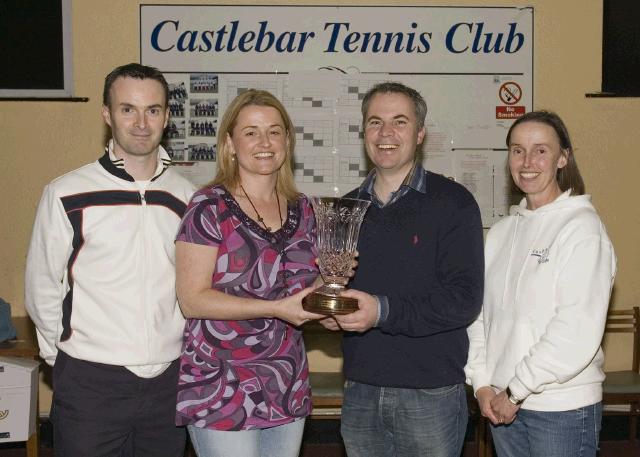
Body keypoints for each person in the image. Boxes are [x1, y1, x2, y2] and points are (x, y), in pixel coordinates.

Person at [25, 63, 195, 456]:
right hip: (90, 384)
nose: (140, 123)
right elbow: (42, 287)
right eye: (127, 109)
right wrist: (65, 359)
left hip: (169, 382)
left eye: (152, 110)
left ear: (166, 117)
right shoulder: (66, 192)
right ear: (107, 114)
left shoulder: (189, 197)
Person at [320, 82, 484, 457]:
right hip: (361, 389)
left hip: (431, 394)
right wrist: (330, 313)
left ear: (420, 133)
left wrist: (381, 311)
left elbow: (463, 301)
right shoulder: (345, 211)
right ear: (364, 131)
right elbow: (339, 288)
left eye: (399, 122)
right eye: (375, 122)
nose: (386, 134)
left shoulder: (454, 203)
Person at [174, 89, 324, 457]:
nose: (264, 142)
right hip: (221, 383)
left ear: (287, 141)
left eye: (274, 131)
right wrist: (275, 308)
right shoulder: (208, 207)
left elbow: (301, 295)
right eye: (251, 131)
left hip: (286, 380)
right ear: (229, 143)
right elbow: (192, 300)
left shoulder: (306, 210)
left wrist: (334, 279)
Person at [465, 111, 616, 457]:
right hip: (502, 405)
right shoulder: (502, 232)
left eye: (541, 151)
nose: (527, 162)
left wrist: (517, 390)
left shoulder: (582, 228)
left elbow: (576, 329)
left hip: (560, 408)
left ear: (563, 157)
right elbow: (480, 317)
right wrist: (482, 383)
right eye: (517, 150)